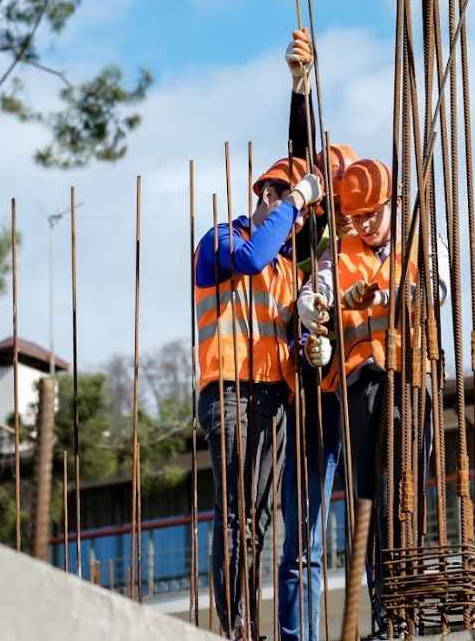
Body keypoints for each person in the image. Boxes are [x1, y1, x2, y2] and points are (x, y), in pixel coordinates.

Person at [296, 157, 446, 638]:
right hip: (359, 383)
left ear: (394, 205)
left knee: (399, 498)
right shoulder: (339, 253)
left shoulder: (424, 242)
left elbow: (434, 293)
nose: (362, 224)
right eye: (355, 216)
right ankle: (386, 618)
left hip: (407, 377)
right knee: (369, 504)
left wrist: (378, 298)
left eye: (370, 215)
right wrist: (312, 304)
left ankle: (407, 613)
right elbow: (314, 291)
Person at [194, 155, 322, 641]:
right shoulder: (222, 238)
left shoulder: (289, 272)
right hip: (229, 393)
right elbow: (251, 259)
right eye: (289, 204)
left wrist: (311, 345)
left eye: (302, 215)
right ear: (266, 195)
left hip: (275, 402)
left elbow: (291, 340)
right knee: (237, 510)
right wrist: (294, 202)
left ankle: (247, 620)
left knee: (260, 515)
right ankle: (237, 626)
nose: (297, 221)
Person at [277, 29, 354, 641]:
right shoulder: (308, 241)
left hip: (358, 392)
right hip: (311, 394)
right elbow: (302, 159)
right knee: (301, 534)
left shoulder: (370, 251)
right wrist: (302, 91)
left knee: (370, 523)